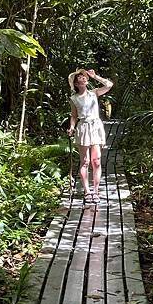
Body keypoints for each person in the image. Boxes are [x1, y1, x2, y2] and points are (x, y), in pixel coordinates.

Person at [67, 68, 113, 204]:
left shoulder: (94, 93)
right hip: (83, 127)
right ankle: (87, 191)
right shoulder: (74, 99)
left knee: (97, 160)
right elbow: (74, 115)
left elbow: (109, 85)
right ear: (76, 83)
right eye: (80, 77)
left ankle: (96, 191)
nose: (83, 77)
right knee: (85, 161)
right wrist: (71, 126)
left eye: (84, 76)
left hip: (96, 126)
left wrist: (95, 76)